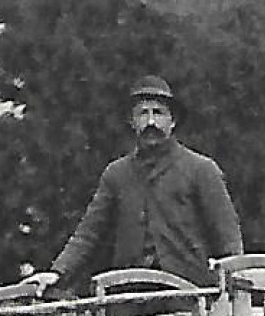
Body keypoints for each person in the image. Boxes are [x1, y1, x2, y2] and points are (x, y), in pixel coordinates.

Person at [29, 75, 244, 293]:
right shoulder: (116, 175)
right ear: (132, 121)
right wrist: (57, 272)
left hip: (188, 296)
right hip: (130, 297)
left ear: (173, 121)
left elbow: (227, 238)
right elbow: (88, 234)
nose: (151, 122)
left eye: (158, 113)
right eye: (143, 113)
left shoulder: (201, 169)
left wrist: (233, 281)